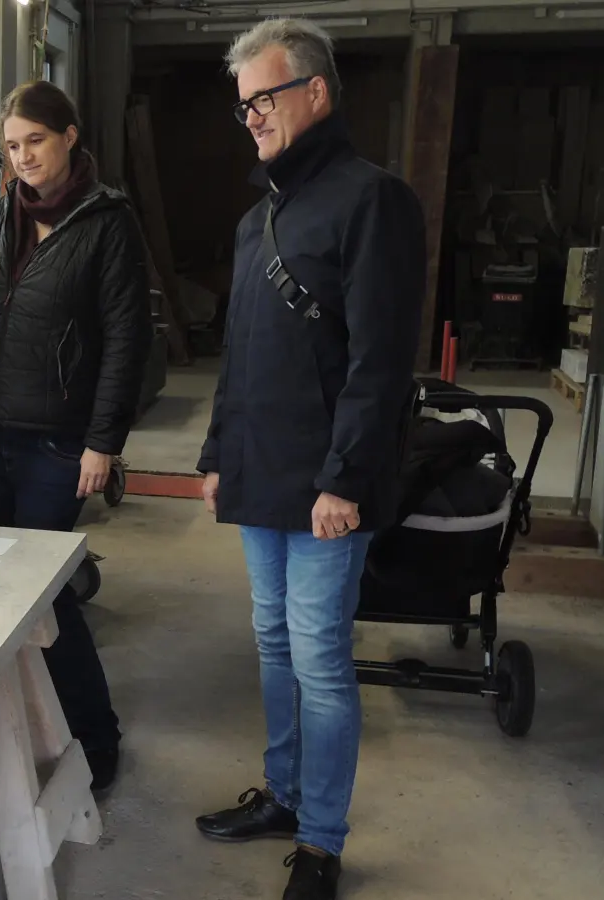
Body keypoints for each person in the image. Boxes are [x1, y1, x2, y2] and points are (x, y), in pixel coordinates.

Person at [192, 19, 426, 900]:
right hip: (259, 474)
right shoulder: (263, 217)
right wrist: (217, 454)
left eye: (265, 97)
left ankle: (322, 841)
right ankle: (285, 797)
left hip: (328, 483)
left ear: (315, 93)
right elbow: (242, 352)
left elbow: (380, 361)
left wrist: (344, 478)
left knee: (321, 658)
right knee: (274, 644)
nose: (251, 116)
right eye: (243, 104)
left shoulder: (375, 200)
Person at [0, 81, 149, 792]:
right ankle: (24, 724)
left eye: (35, 139)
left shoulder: (108, 222)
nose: (24, 155)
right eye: (12, 145)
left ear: (68, 136)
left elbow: (128, 339)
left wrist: (104, 440)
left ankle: (96, 738)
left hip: (56, 439)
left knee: (45, 592)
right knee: (3, 589)